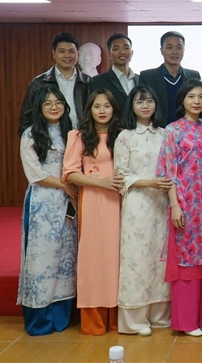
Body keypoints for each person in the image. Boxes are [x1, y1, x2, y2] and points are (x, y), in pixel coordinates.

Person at [155, 79, 202, 337]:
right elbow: (168, 172)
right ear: (182, 100)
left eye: (201, 96)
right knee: (186, 259)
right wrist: (175, 205)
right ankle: (186, 321)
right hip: (185, 204)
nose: (197, 101)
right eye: (191, 96)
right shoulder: (173, 130)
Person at [17, 84, 77, 336]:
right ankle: (39, 319)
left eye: (58, 102)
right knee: (41, 259)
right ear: (39, 107)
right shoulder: (31, 134)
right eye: (48, 103)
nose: (54, 107)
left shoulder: (71, 133)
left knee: (65, 258)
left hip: (69, 204)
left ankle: (62, 316)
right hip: (42, 203)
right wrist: (65, 186)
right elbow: (34, 173)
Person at [62, 89, 123, 335]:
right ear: (89, 110)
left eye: (107, 106)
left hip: (120, 202)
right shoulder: (78, 136)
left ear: (114, 109)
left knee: (116, 257)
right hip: (94, 202)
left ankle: (118, 318)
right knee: (94, 258)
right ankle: (94, 320)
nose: (102, 111)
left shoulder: (122, 135)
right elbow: (69, 173)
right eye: (97, 106)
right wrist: (100, 182)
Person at [114, 85, 172, 336]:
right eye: (139, 102)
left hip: (162, 204)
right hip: (137, 205)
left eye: (149, 101)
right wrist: (150, 183)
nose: (145, 106)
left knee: (160, 259)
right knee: (136, 258)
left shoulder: (165, 134)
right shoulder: (125, 137)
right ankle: (135, 320)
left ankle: (160, 316)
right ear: (131, 106)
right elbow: (120, 176)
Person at [19, 32, 90, 135]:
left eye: (71, 51)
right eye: (62, 51)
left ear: (77, 53)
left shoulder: (88, 82)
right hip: (50, 140)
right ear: (53, 53)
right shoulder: (39, 83)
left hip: (83, 138)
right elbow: (26, 119)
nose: (67, 55)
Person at [139, 31, 201, 127]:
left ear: (184, 50)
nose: (174, 52)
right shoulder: (147, 77)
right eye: (169, 47)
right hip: (156, 131)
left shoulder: (194, 76)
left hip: (188, 131)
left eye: (179, 47)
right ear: (161, 50)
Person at [90, 33, 138, 110]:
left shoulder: (141, 79)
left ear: (132, 53)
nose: (122, 52)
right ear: (109, 54)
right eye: (116, 49)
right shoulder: (97, 81)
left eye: (126, 48)